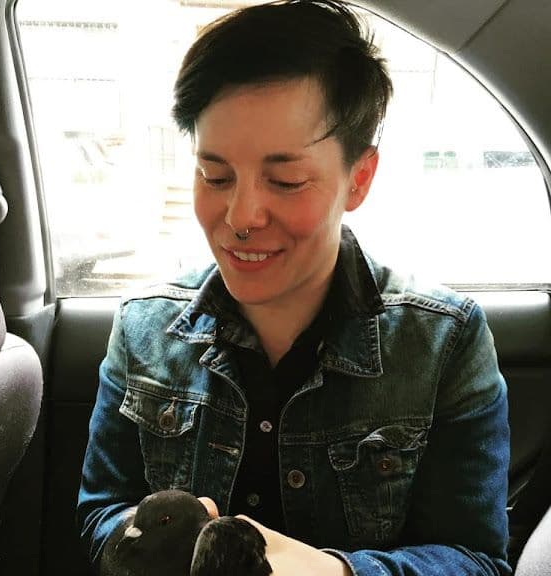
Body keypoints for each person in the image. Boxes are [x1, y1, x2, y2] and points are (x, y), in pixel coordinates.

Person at [77, 1, 511, 574]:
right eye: (216, 175)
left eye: (284, 180)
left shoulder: (441, 343)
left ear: (359, 178)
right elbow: (100, 516)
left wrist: (335, 572)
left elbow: (476, 561)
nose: (240, 215)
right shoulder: (144, 329)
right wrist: (155, 541)